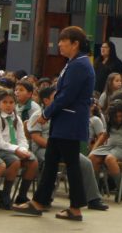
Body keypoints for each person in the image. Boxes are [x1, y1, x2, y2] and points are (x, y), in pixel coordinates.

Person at [13, 26, 93, 221]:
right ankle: (41, 201)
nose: (59, 44)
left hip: (69, 120)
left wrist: (47, 113)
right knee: (51, 162)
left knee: (70, 164)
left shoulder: (80, 65)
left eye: (63, 41)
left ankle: (75, 207)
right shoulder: (74, 63)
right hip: (65, 121)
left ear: (75, 44)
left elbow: (66, 95)